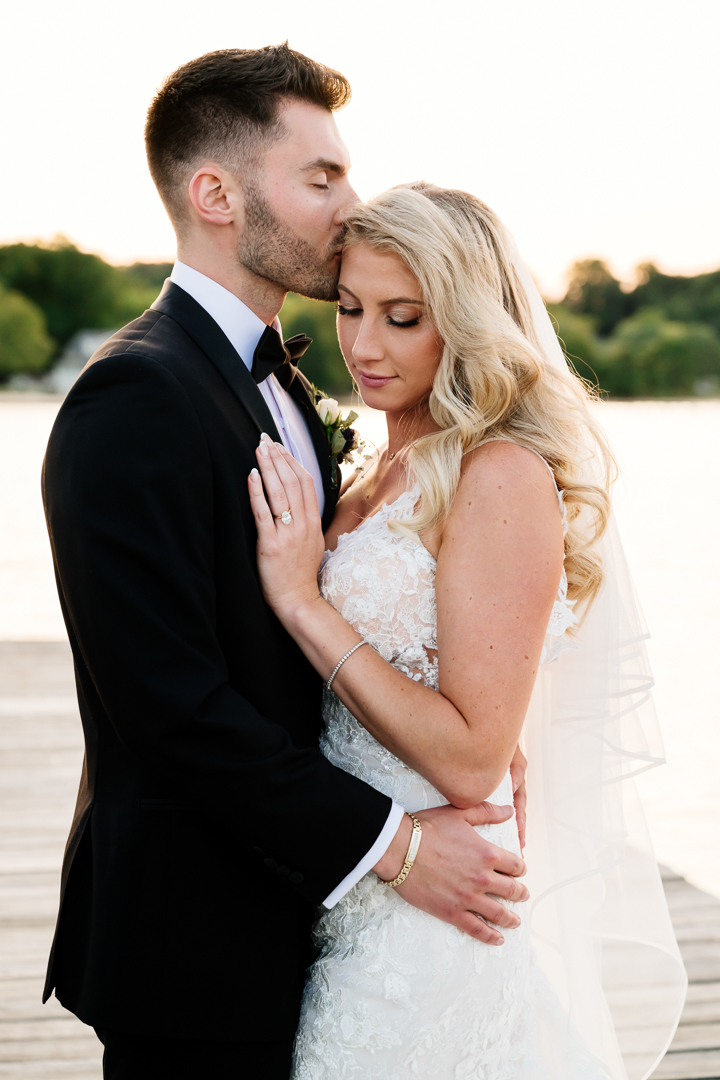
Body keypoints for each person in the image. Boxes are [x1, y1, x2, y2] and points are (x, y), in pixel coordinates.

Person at [41, 47, 530, 1080]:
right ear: (215, 193)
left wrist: (464, 714)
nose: (349, 208)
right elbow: (169, 707)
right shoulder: (134, 397)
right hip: (195, 944)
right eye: (321, 179)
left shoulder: (287, 391)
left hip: (310, 923)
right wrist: (395, 846)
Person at [247, 183, 687, 1079]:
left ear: (467, 321)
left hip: (432, 922)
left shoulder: (500, 474)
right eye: (350, 309)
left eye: (403, 318)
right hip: (353, 887)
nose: (364, 346)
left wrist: (302, 602)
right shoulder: (375, 469)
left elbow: (475, 760)